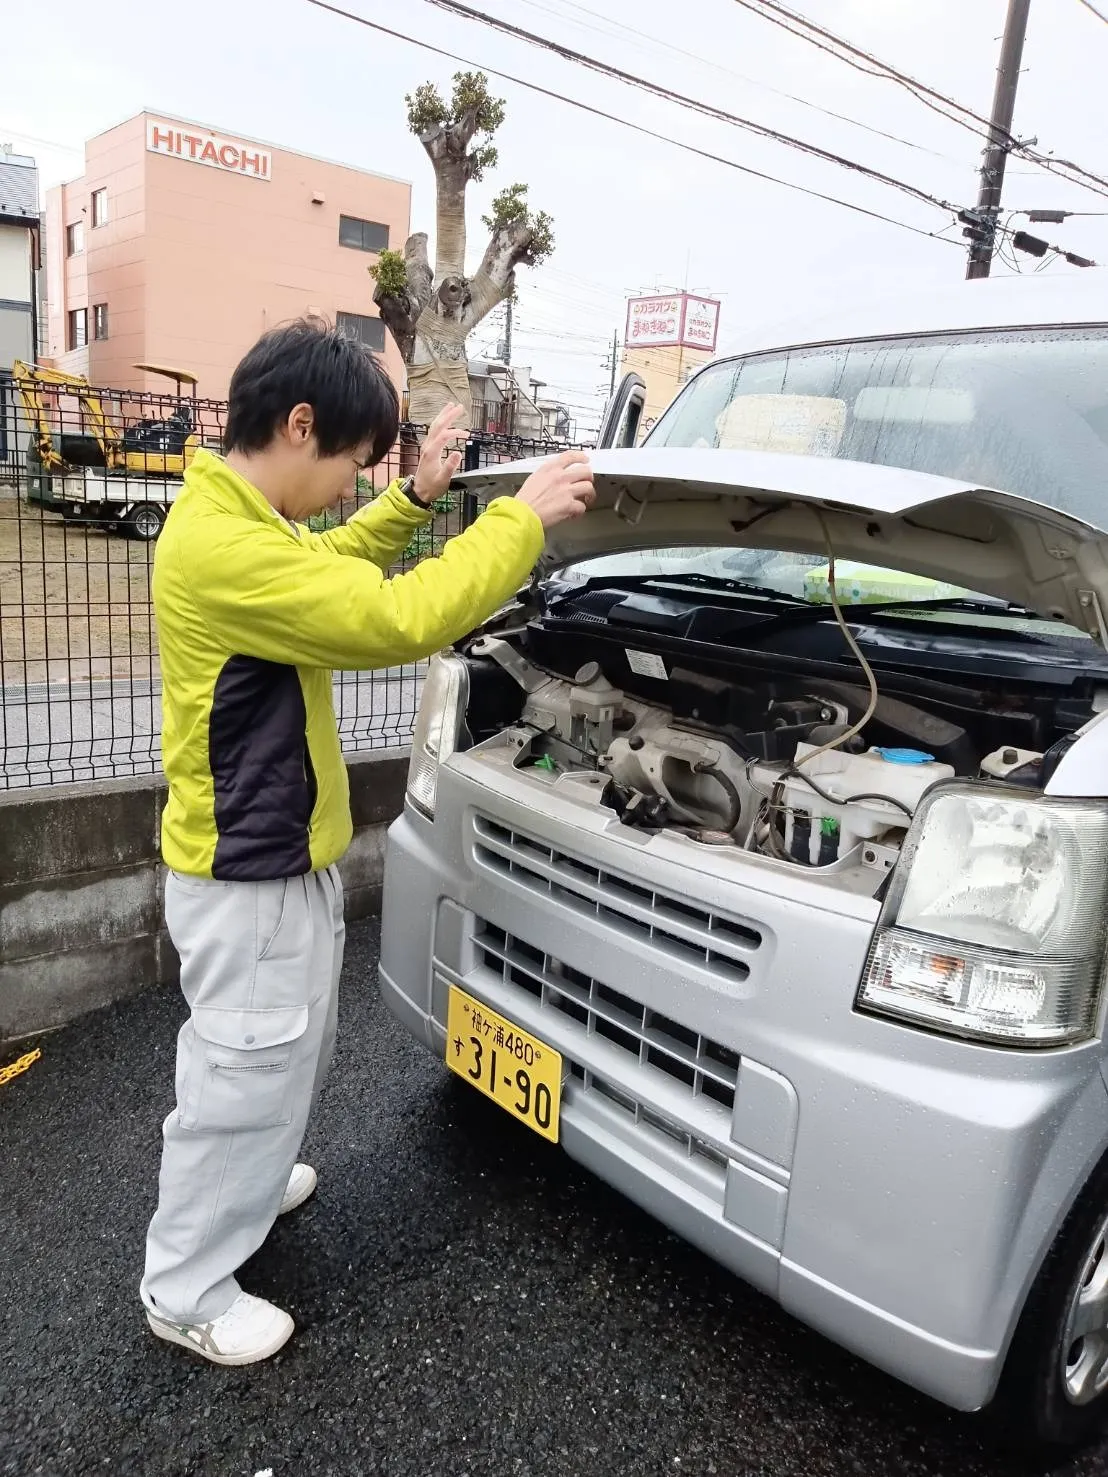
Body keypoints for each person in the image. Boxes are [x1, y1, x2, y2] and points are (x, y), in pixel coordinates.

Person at [140, 318, 594, 1366]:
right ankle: (187, 1284)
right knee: (239, 1075)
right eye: (351, 459)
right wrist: (516, 524)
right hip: (247, 875)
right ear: (300, 424)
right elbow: (392, 620)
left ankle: (247, 1192)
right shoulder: (222, 546)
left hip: (274, 858)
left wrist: (418, 498)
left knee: (284, 1052)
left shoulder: (240, 517)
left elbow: (332, 560)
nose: (352, 485)